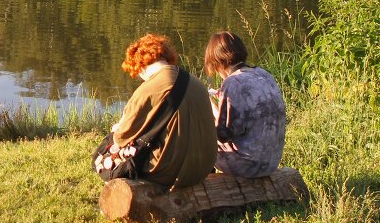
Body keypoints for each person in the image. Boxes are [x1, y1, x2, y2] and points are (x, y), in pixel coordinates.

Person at [102, 33, 217, 188]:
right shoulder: (195, 81)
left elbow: (121, 137)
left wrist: (116, 129)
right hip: (203, 169)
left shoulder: (149, 88)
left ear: (140, 65)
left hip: (172, 174)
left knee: (107, 148)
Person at [205, 31, 287, 178]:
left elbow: (222, 135)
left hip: (249, 165)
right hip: (271, 161)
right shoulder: (263, 74)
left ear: (217, 60)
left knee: (200, 138)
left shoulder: (233, 82)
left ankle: (205, 188)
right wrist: (224, 99)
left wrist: (210, 105)